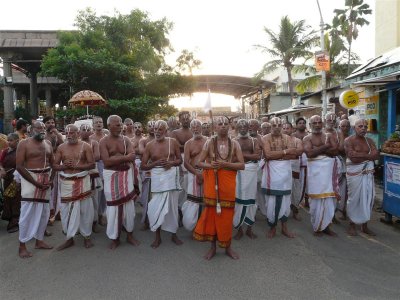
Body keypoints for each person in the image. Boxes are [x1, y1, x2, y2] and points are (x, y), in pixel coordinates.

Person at [194, 116, 244, 260]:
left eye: (225, 124)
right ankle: (212, 248)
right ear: (215, 127)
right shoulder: (209, 142)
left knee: (226, 217)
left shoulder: (235, 144)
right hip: (212, 183)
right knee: (212, 216)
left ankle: (228, 247)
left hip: (227, 185)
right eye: (219, 124)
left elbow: (242, 165)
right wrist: (211, 166)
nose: (223, 126)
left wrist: (225, 165)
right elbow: (199, 162)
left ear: (229, 126)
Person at [99, 115, 140, 249]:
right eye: (116, 125)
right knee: (113, 208)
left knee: (129, 207)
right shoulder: (103, 142)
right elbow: (106, 161)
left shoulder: (126, 140)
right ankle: (114, 238)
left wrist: (118, 158)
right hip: (111, 176)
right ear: (109, 125)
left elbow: (132, 156)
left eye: (120, 124)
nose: (120, 127)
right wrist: (125, 157)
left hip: (125, 176)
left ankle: (129, 234)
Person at [53, 124, 95, 250]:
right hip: (67, 183)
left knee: (85, 210)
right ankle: (69, 238)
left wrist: (76, 167)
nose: (70, 135)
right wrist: (64, 166)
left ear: (78, 133)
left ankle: (87, 236)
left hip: (82, 181)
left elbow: (92, 164)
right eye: (67, 132)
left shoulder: (85, 146)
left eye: (72, 132)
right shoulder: (61, 147)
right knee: (66, 211)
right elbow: (55, 166)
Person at [141, 120, 183, 248]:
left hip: (171, 177)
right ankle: (157, 236)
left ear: (165, 131)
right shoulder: (149, 145)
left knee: (172, 207)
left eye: (160, 129)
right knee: (156, 207)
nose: (157, 132)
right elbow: (143, 165)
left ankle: (173, 234)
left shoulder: (173, 142)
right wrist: (155, 164)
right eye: (155, 129)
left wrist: (171, 163)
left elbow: (179, 160)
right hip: (157, 179)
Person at [16, 121, 54, 258]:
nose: (42, 130)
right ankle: (22, 246)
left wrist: (51, 179)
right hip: (30, 182)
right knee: (27, 214)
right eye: (39, 128)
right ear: (32, 130)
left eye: (44, 128)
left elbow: (53, 163)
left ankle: (39, 241)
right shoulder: (24, 143)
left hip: (45, 181)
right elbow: (19, 166)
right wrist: (35, 183)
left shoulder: (48, 144)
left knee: (44, 213)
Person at [261, 117, 300, 238]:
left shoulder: (288, 138)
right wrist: (284, 152)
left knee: (285, 200)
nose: (277, 128)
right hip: (271, 173)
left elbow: (295, 155)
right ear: (270, 126)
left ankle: (284, 227)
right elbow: (267, 155)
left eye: (279, 126)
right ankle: (272, 227)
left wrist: (279, 155)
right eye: (274, 126)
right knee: (271, 201)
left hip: (285, 172)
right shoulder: (265, 138)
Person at [303, 115, 338, 237]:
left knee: (329, 199)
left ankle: (327, 226)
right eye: (314, 123)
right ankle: (317, 227)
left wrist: (318, 149)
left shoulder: (329, 136)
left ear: (322, 124)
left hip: (328, 172)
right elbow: (309, 154)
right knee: (316, 200)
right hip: (315, 174)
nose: (317, 125)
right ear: (310, 125)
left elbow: (335, 151)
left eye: (319, 122)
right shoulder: (307, 138)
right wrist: (326, 146)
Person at [345, 119, 379, 236]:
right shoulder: (348, 140)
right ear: (354, 128)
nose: (363, 128)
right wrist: (368, 156)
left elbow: (376, 155)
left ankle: (364, 226)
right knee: (354, 199)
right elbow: (352, 157)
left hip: (367, 175)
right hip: (355, 174)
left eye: (365, 126)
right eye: (360, 126)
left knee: (368, 198)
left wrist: (362, 156)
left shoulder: (370, 141)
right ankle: (352, 224)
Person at [233, 119, 261, 240]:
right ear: (237, 128)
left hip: (251, 172)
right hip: (238, 172)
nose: (243, 128)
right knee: (238, 200)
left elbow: (258, 156)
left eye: (245, 126)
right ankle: (239, 229)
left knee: (251, 200)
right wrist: (246, 157)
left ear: (248, 127)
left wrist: (241, 155)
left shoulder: (254, 141)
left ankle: (249, 229)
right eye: (240, 126)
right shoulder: (233, 141)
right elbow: (231, 158)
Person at [181, 120, 207, 232]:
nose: (195, 129)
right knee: (194, 201)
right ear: (191, 129)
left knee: (207, 200)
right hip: (193, 173)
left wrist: (205, 172)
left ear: (201, 128)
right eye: (193, 127)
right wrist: (197, 173)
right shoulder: (188, 143)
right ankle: (194, 227)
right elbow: (186, 163)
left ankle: (205, 227)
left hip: (207, 173)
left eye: (197, 126)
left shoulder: (209, 141)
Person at [170, 111, 193, 223]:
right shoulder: (175, 132)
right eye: (183, 119)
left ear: (190, 119)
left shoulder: (194, 131)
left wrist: (188, 147)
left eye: (187, 119)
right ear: (179, 120)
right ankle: (179, 214)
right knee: (180, 190)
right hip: (179, 161)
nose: (185, 120)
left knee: (190, 189)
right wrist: (189, 146)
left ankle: (189, 214)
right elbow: (175, 146)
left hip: (192, 162)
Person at [80, 124, 102, 233]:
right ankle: (82, 225)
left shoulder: (94, 143)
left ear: (91, 131)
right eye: (83, 129)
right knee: (81, 199)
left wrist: (83, 158)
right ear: (79, 131)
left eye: (88, 129)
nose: (86, 131)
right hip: (79, 175)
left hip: (92, 175)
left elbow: (97, 157)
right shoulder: (76, 143)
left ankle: (94, 223)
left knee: (94, 200)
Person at [0, 133, 21, 233]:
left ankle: (15, 221)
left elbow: (22, 166)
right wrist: (2, 169)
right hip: (7, 179)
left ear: (17, 140)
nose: (8, 142)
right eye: (8, 140)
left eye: (11, 140)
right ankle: (9, 218)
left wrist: (18, 179)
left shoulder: (21, 151)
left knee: (15, 200)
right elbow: (0, 162)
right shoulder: (5, 151)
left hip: (16, 179)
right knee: (7, 197)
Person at [138, 120, 156, 229]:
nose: (152, 127)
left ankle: (156, 219)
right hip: (147, 171)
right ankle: (145, 220)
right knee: (146, 196)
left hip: (158, 171)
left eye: (154, 126)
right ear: (147, 127)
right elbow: (141, 152)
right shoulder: (143, 141)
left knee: (157, 196)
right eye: (150, 125)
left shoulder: (162, 140)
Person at [90, 116, 108, 225]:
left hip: (105, 166)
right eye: (96, 122)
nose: (98, 124)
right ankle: (94, 219)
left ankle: (102, 215)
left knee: (105, 193)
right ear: (93, 125)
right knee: (95, 193)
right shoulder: (90, 138)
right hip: (94, 166)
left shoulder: (107, 137)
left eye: (100, 122)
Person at [290, 117, 309, 216]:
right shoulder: (292, 136)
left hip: (305, 163)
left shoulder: (308, 136)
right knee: (294, 185)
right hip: (294, 163)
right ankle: (294, 204)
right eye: (300, 123)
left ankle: (298, 204)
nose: (302, 124)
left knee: (304, 184)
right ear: (296, 125)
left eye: (303, 123)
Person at [337, 119, 351, 220]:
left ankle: (343, 210)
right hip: (337, 166)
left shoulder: (351, 138)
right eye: (343, 126)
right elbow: (340, 150)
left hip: (349, 166)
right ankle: (334, 213)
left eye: (347, 126)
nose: (345, 128)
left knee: (346, 190)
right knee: (336, 189)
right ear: (339, 127)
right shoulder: (335, 137)